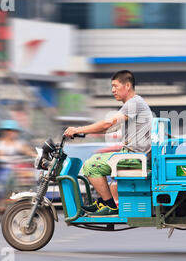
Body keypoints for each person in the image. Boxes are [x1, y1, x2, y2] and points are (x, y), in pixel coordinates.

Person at [63, 70, 152, 216]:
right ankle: (103, 202)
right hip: (134, 155)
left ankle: (109, 205)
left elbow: (106, 124)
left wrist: (77, 129)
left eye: (115, 86)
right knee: (94, 160)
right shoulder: (133, 105)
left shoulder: (134, 103)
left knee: (91, 166)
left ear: (127, 85)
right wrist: (84, 132)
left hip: (135, 157)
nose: (112, 90)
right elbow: (109, 128)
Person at [0, 120, 36, 213]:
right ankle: (0, 205)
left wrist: (36, 156)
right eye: (9, 131)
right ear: (4, 132)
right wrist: (4, 159)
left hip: (18, 169)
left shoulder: (19, 143)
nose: (11, 133)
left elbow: (29, 152)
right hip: (5, 169)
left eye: (13, 131)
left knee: (30, 182)